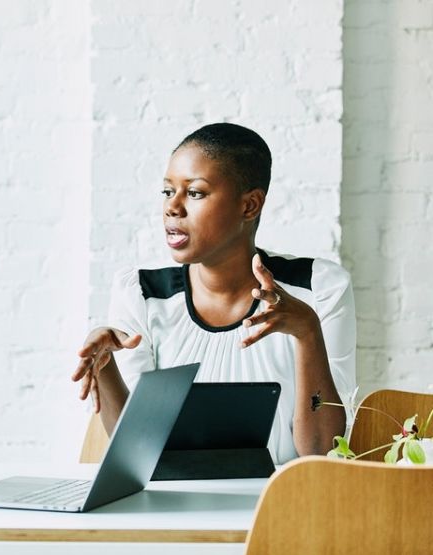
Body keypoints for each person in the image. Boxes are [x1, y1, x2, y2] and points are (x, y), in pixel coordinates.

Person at [71, 123, 356, 464]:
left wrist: (308, 331)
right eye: (167, 192)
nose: (172, 208)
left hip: (283, 506)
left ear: (249, 206)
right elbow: (138, 455)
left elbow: (322, 450)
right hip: (174, 511)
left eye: (195, 193)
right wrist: (105, 368)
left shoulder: (318, 288)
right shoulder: (142, 295)